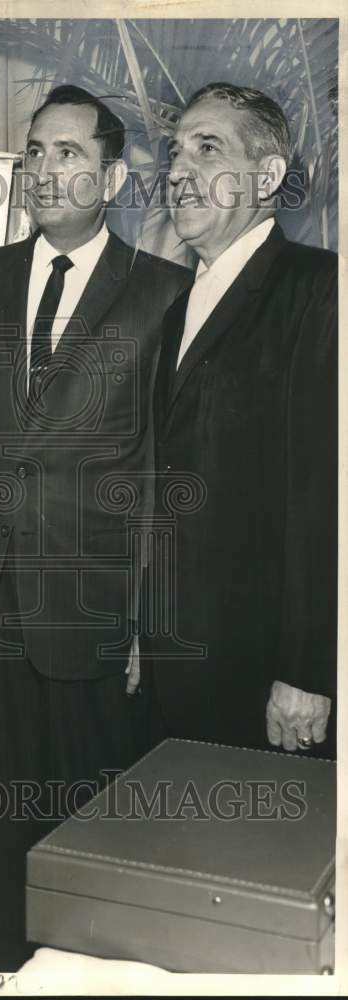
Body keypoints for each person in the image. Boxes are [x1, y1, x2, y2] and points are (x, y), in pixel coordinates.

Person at [0, 85, 192, 971]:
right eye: (34, 152)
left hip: (97, 610)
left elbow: (163, 471)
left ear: (111, 175)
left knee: (93, 835)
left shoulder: (165, 294)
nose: (44, 170)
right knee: (9, 832)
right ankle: (1, 977)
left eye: (67, 153)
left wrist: (151, 612)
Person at [144, 83, 337, 755]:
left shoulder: (319, 291)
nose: (178, 171)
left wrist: (309, 672)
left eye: (208, 148)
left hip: (266, 679)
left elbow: (326, 497)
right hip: (174, 670)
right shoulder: (175, 312)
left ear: (268, 175)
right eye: (175, 152)